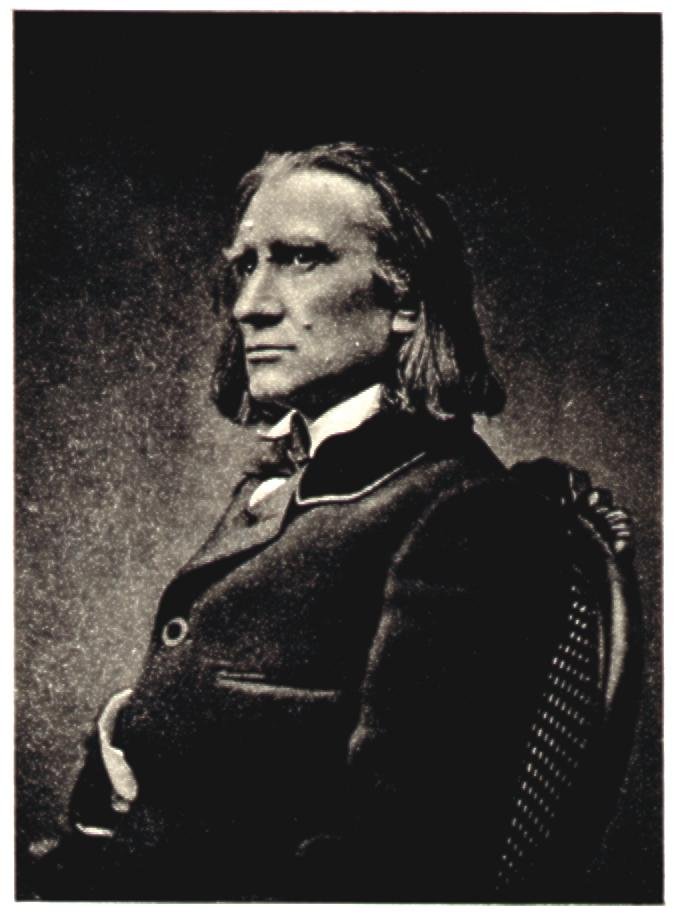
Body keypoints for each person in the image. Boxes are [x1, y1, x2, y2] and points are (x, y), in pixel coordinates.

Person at [26, 142, 629, 902]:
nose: (249, 305)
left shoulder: (465, 516)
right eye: (245, 266)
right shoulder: (291, 483)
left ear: (405, 303)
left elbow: (393, 867)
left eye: (301, 259)